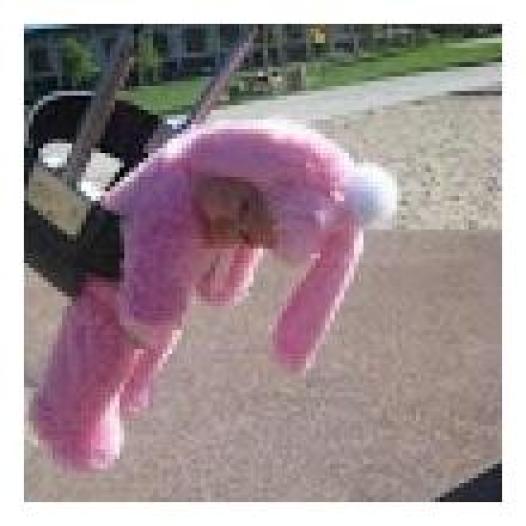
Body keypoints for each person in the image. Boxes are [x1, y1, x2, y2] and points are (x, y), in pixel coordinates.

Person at [30, 119, 397, 471]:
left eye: (251, 238)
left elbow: (214, 281)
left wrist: (225, 275)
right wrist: (152, 323)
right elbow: (152, 288)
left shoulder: (235, 197)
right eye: (243, 210)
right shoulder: (173, 195)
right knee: (100, 350)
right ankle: (64, 428)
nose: (232, 228)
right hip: (105, 275)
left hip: (136, 294)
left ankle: (119, 395)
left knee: (141, 347)